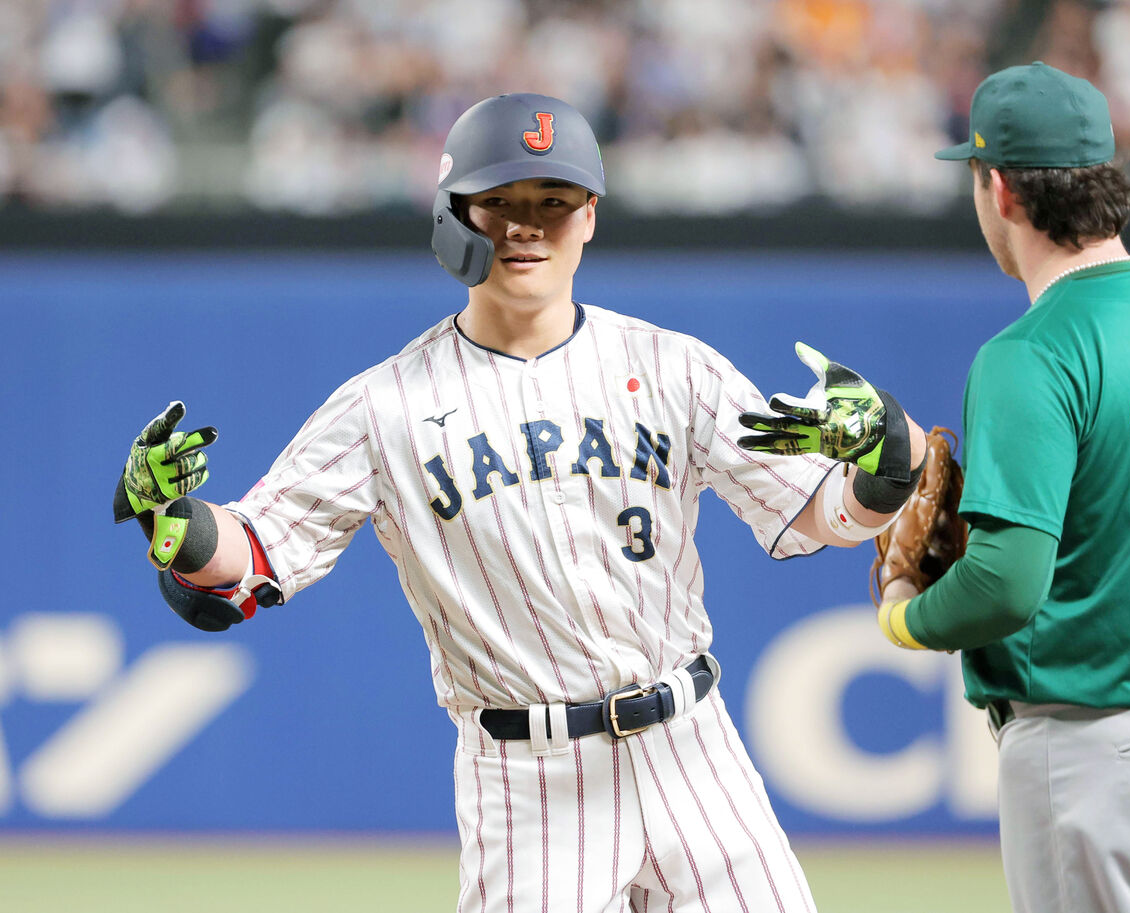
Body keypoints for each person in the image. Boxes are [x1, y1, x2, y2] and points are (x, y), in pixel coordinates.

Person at [114, 93, 928, 913]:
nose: (526, 225)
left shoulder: (677, 367)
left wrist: (884, 461)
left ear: (591, 217)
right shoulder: (384, 405)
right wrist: (172, 526)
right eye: (497, 201)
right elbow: (253, 557)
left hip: (694, 748)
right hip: (532, 784)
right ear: (453, 216)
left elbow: (821, 514)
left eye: (553, 201)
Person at [876, 62, 1130, 913]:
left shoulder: (1032, 352)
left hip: (1094, 755)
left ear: (1002, 189)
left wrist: (903, 612)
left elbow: (1006, 584)